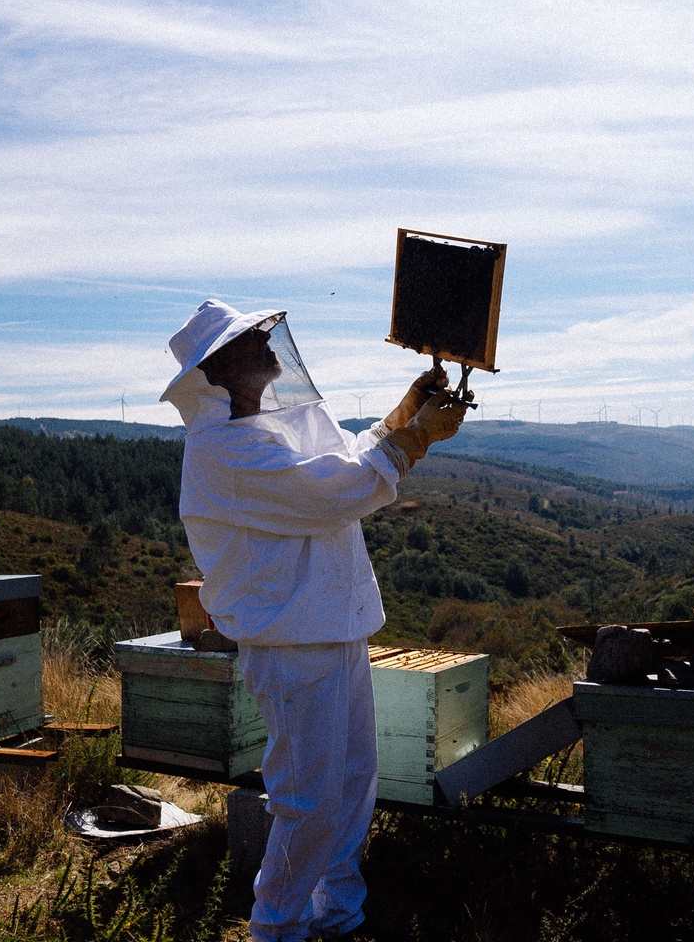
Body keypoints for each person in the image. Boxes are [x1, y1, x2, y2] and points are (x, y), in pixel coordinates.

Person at [160, 299, 466, 941]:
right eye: (250, 341)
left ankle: (335, 914)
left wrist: (403, 414)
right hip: (291, 642)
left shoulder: (273, 425)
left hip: (331, 627)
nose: (268, 345)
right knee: (309, 799)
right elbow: (335, 493)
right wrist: (416, 439)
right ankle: (277, 928)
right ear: (219, 369)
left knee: (351, 786)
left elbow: (342, 459)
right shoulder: (223, 449)